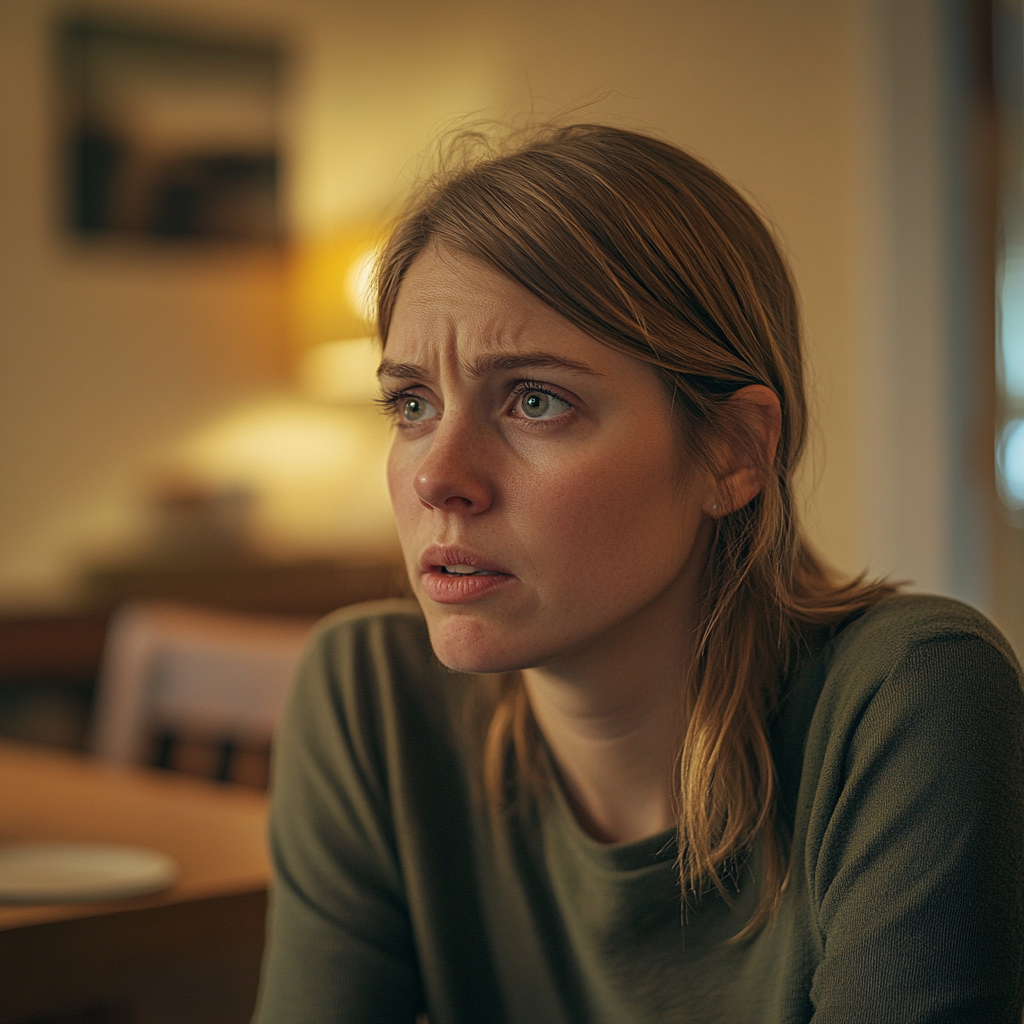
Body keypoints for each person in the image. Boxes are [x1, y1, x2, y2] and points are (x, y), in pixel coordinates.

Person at [253, 124, 1024, 1024]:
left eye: (536, 400)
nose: (436, 476)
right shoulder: (371, 699)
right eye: (412, 404)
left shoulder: (912, 697)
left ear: (732, 452)